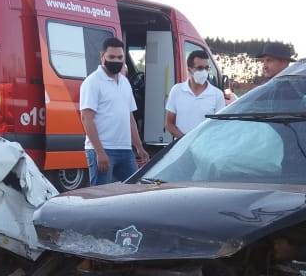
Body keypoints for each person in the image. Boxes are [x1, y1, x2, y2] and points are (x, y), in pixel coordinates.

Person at [79, 37, 149, 186]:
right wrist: (99, 152)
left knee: (133, 191)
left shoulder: (125, 82)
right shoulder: (92, 82)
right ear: (102, 56)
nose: (116, 61)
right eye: (111, 57)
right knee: (101, 195)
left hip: (125, 150)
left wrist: (139, 147)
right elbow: (86, 118)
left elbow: (129, 118)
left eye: (120, 57)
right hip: (103, 150)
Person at [165, 50, 226, 140]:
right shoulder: (177, 90)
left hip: (205, 146)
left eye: (206, 68)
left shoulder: (217, 95)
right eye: (200, 68)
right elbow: (169, 124)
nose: (204, 72)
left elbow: (219, 126)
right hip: (181, 146)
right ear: (189, 69)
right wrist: (185, 140)